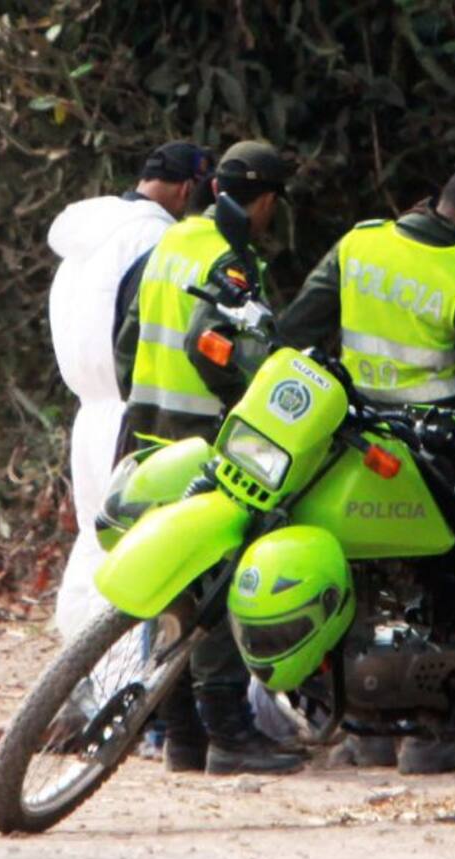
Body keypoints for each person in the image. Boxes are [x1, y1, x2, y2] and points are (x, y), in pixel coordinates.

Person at [277, 163, 455, 773]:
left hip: (349, 438)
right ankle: (433, 738)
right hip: (429, 448)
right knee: (452, 579)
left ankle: (363, 731)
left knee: (351, 575)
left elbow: (295, 330)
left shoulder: (359, 243)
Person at [113, 140, 306, 777]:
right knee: (217, 587)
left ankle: (182, 736)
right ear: (267, 201)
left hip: (150, 437)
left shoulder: (171, 243)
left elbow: (126, 340)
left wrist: (141, 408)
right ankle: (226, 731)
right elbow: (216, 347)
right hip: (207, 442)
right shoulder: (232, 258)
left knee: (173, 586)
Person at [48, 141, 212, 642]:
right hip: (130, 413)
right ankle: (130, 694)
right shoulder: (155, 242)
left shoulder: (87, 238)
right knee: (143, 559)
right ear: (186, 190)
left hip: (89, 413)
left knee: (100, 552)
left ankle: (81, 690)